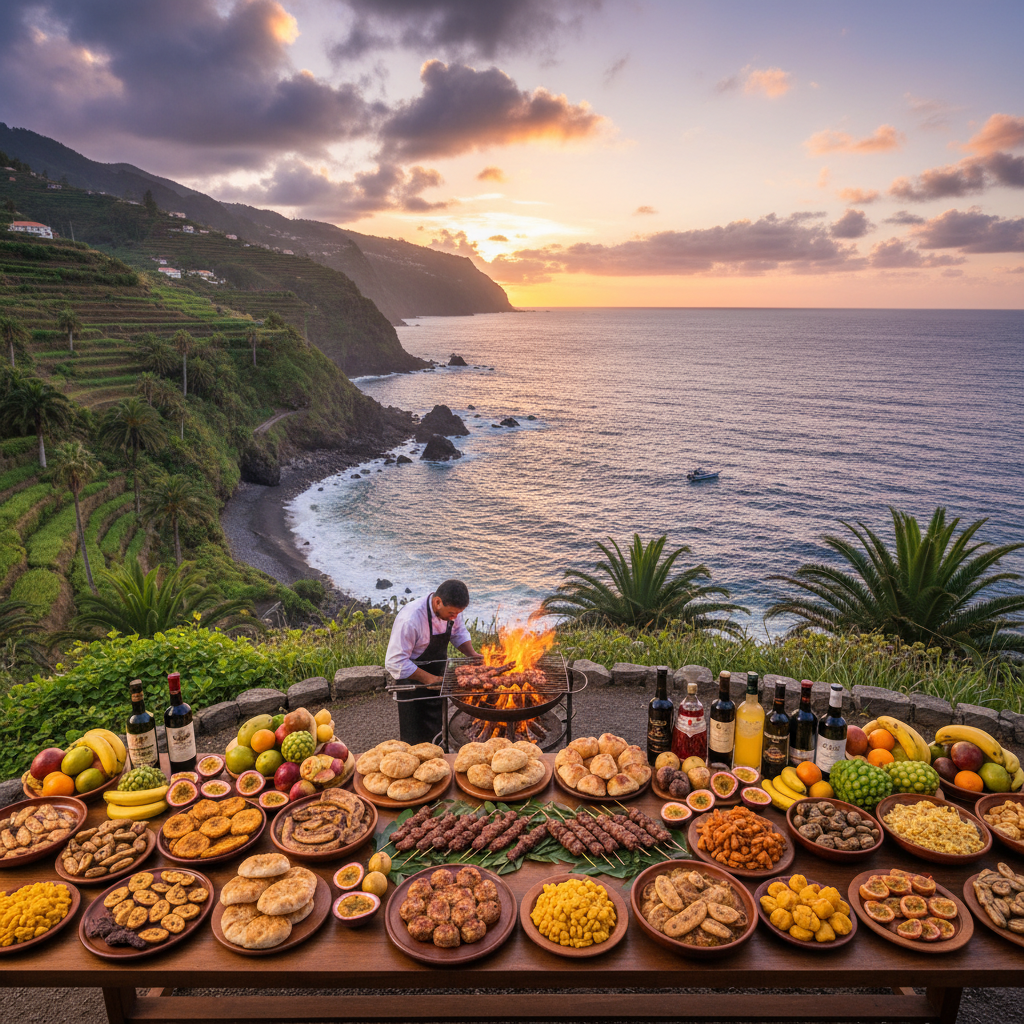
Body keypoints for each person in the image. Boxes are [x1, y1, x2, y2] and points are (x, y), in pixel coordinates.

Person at [384, 580, 481, 745]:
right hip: (413, 684)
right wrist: (429, 679)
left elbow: (458, 632)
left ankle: (439, 751)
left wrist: (472, 655)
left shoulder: (452, 610)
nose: (454, 617)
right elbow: (395, 661)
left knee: (436, 728)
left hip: (437, 675)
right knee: (415, 738)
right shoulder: (410, 619)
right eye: (452, 613)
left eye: (458, 613)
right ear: (437, 602)